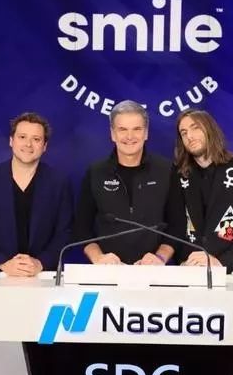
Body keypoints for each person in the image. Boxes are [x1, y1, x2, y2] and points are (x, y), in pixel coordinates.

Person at [0, 112, 73, 276]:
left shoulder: (59, 182)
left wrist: (40, 263)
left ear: (44, 146)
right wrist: (3, 263)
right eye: (22, 137)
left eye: (36, 139)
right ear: (11, 141)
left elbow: (65, 233)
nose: (28, 144)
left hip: (43, 276)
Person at [73, 100, 175, 265]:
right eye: (122, 129)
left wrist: (160, 258)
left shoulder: (166, 170)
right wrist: (99, 258)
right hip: (107, 271)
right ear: (112, 134)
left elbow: (176, 227)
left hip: (154, 271)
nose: (129, 136)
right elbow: (82, 229)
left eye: (137, 129)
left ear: (146, 133)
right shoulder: (96, 172)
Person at [169, 109, 233, 274]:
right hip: (190, 273)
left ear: (210, 129)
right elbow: (174, 227)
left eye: (195, 128)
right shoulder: (178, 175)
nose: (190, 136)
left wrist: (220, 262)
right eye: (183, 132)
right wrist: (184, 261)